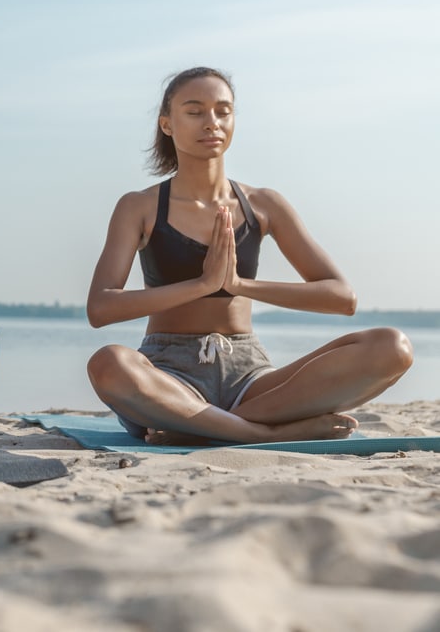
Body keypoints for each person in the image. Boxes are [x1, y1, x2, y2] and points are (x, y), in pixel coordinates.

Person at [85, 66, 412, 445]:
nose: (212, 123)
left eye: (223, 111)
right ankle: (258, 433)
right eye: (195, 111)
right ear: (167, 124)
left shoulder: (263, 204)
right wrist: (202, 285)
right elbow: (101, 308)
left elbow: (342, 298)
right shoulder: (139, 207)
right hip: (167, 374)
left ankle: (205, 426)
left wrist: (240, 285)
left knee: (392, 347)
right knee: (109, 364)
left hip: (251, 378)